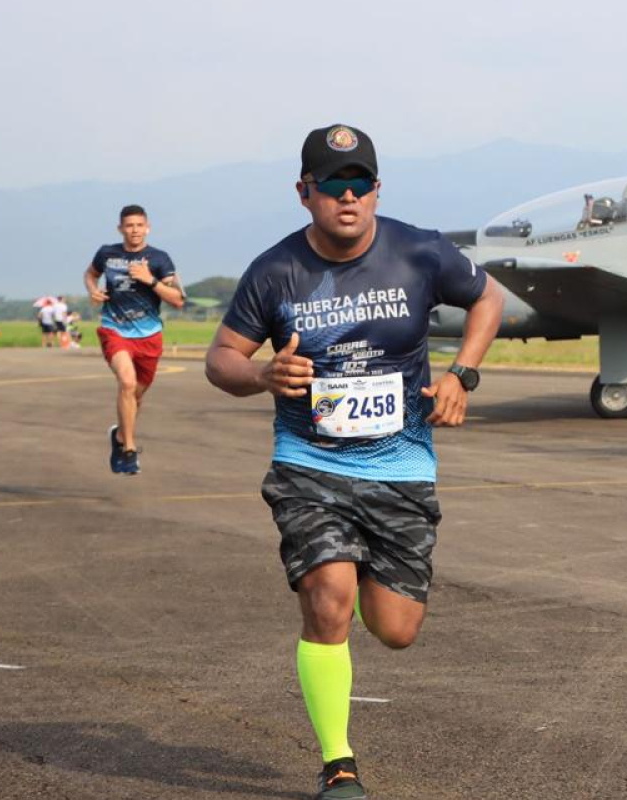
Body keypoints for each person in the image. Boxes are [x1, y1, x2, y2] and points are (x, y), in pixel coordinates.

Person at [205, 124, 503, 800]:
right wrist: (262, 375)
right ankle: (338, 763)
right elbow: (221, 359)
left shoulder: (419, 251)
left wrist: (462, 374)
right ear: (304, 192)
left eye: (360, 183)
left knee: (396, 630)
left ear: (376, 190)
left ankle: (363, 576)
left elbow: (488, 297)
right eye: (333, 185)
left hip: (401, 465)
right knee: (328, 599)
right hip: (308, 463)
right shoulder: (275, 271)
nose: (348, 196)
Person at [84, 205, 184, 474]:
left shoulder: (160, 259)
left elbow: (177, 300)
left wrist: (150, 280)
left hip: (149, 336)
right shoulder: (107, 254)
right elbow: (90, 273)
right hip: (114, 330)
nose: (135, 230)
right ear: (120, 229)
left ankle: (119, 436)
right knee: (127, 383)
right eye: (129, 225)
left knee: (135, 396)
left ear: (147, 228)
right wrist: (93, 290)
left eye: (139, 225)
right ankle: (128, 450)